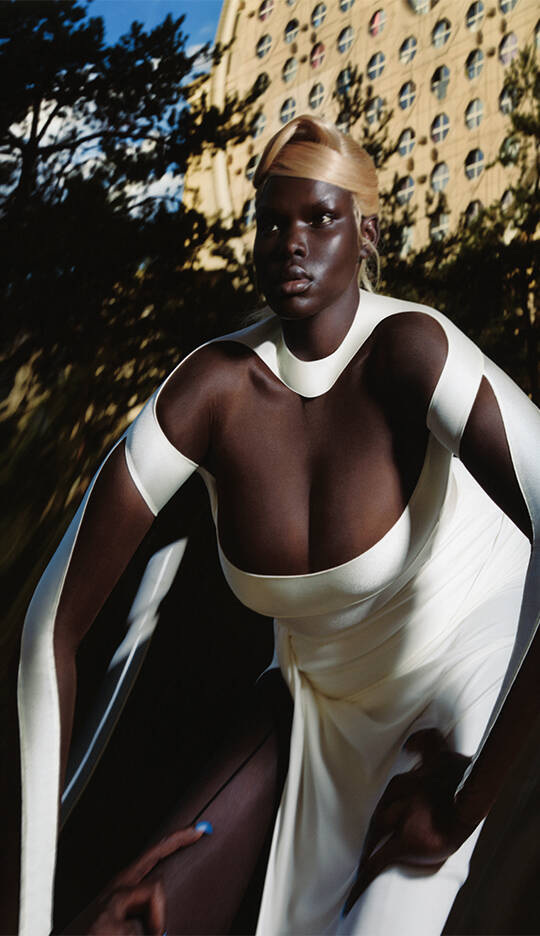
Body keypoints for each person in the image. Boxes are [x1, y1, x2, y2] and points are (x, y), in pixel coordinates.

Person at [16, 114, 539, 936]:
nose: (291, 242)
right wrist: (30, 920)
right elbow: (51, 632)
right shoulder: (210, 390)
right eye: (271, 222)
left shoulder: (412, 351)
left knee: (389, 920)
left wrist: (466, 804)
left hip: (463, 663)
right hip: (319, 698)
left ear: (365, 232)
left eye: (319, 218)